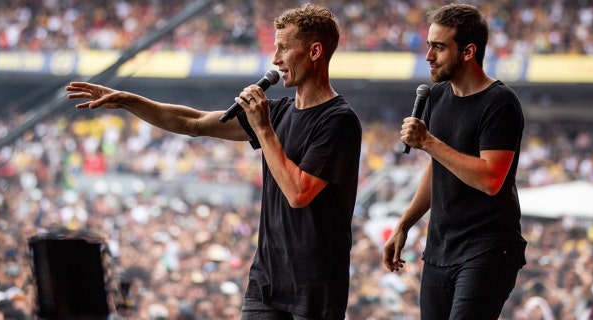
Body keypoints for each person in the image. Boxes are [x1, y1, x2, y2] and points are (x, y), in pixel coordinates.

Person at [66, 3, 361, 319]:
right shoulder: (278, 112)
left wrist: (262, 127)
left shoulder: (338, 121)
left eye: (284, 48)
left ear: (315, 51)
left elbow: (298, 193)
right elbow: (193, 122)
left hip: (316, 289)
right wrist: (128, 100)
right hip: (266, 283)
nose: (275, 60)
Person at [382, 3, 526, 320]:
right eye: (429, 46)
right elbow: (438, 166)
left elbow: (490, 179)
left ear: (468, 51)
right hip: (440, 249)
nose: (429, 56)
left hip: (487, 249)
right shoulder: (438, 98)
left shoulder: (500, 103)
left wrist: (429, 142)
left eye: (439, 47)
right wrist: (404, 224)